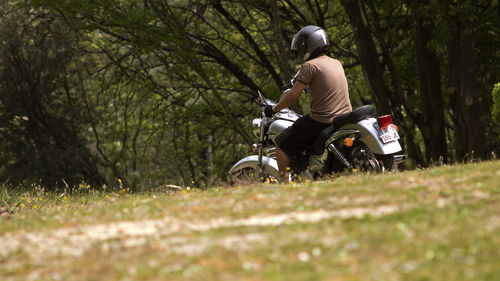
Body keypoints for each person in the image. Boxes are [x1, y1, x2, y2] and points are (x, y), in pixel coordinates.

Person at [264, 25, 352, 182]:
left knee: (281, 143)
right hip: (344, 116)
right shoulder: (336, 62)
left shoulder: (309, 66)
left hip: (322, 120)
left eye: (300, 46)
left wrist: (274, 109)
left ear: (307, 45)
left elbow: (292, 96)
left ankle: (285, 186)